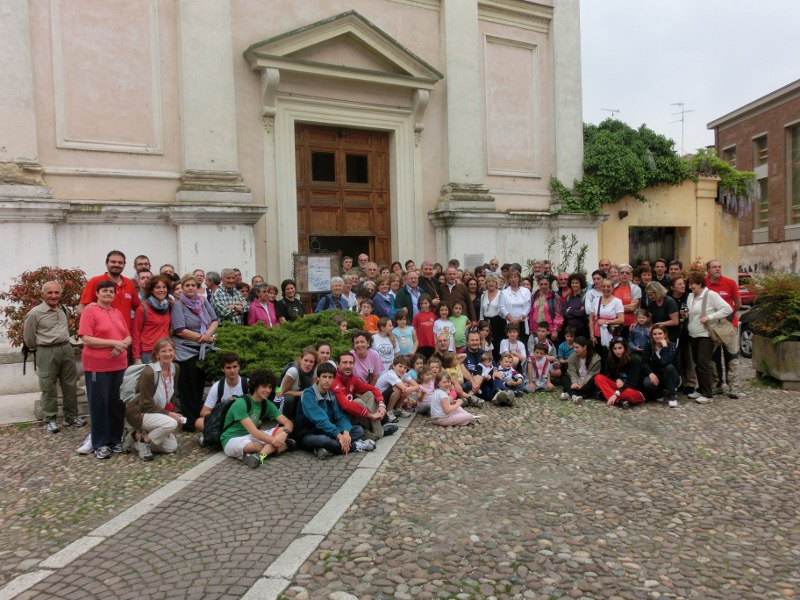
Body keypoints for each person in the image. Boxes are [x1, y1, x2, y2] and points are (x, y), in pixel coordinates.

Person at [78, 280, 131, 459]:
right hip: (97, 366)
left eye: (111, 291)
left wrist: (122, 345)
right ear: (97, 294)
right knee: (100, 405)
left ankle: (115, 440)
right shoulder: (90, 311)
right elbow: (86, 338)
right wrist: (114, 343)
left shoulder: (117, 312)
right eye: (105, 291)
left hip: (119, 365)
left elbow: (128, 337)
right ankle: (100, 443)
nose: (108, 293)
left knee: (117, 404)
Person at [23, 281, 83, 433]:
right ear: (43, 294)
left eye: (57, 292)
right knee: (48, 385)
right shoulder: (34, 313)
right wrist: (39, 349)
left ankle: (71, 416)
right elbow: (29, 337)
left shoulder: (63, 309)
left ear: (60, 294)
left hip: (66, 348)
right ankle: (49, 419)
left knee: (70, 384)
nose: (53, 295)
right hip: (46, 350)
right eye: (49, 292)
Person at [171, 274, 219, 431]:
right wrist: (202, 338)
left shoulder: (202, 301)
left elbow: (214, 320)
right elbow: (179, 330)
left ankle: (198, 417)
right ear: (182, 288)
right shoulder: (179, 305)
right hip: (185, 350)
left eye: (193, 285)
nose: (191, 288)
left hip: (202, 349)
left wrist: (207, 335)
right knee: (188, 387)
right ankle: (189, 421)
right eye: (187, 286)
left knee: (198, 385)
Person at [296, 362, 373, 460]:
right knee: (324, 440)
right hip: (309, 434)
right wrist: (339, 436)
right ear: (318, 378)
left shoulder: (331, 395)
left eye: (330, 377)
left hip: (329, 432)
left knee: (358, 430)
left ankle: (326, 449)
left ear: (333, 379)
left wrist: (345, 432)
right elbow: (320, 420)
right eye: (324, 377)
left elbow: (341, 417)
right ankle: (356, 446)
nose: (327, 380)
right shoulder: (308, 394)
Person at [221, 369, 295, 468]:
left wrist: (284, 433)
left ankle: (259, 456)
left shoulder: (266, 403)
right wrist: (278, 442)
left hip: (252, 436)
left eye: (270, 387)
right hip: (232, 438)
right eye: (264, 386)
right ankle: (282, 446)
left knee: (281, 430)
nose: (268, 390)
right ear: (255, 386)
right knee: (251, 446)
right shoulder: (241, 403)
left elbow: (288, 423)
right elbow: (254, 432)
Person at [125, 338, 182, 461]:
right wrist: (169, 416)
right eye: (163, 351)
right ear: (157, 355)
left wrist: (170, 413)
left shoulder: (175, 368)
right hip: (140, 412)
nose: (168, 354)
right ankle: (144, 441)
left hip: (156, 413)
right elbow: (145, 404)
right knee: (171, 423)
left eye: (170, 350)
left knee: (171, 447)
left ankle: (136, 437)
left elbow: (172, 394)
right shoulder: (150, 372)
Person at [686, 272, 732, 405]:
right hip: (693, 333)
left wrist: (710, 317)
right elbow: (692, 313)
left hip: (706, 334)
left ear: (700, 284)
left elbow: (727, 308)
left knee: (703, 362)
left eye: (693, 286)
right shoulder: (690, 296)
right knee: (697, 361)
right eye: (690, 285)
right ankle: (701, 389)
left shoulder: (711, 295)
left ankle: (707, 393)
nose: (691, 288)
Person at [331, 352, 392, 441]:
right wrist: (371, 415)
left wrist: (381, 405)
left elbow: (373, 389)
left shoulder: (352, 379)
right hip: (341, 418)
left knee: (369, 394)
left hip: (356, 415)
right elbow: (345, 405)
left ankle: (369, 430)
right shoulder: (333, 380)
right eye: (345, 362)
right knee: (357, 402)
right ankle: (378, 430)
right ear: (337, 364)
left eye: (351, 363)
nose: (348, 366)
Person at [705, 259, 741, 398]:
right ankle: (717, 385)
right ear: (708, 270)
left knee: (732, 356)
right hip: (712, 326)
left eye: (719, 266)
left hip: (729, 325)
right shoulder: (705, 284)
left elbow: (738, 304)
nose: (717, 269)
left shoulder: (730, 283)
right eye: (714, 267)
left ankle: (733, 386)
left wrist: (729, 317)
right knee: (714, 357)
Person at [77, 250, 140, 327]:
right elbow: (80, 309)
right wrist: (96, 322)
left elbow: (138, 309)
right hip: (102, 335)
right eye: (113, 262)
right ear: (106, 263)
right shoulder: (95, 281)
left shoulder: (129, 283)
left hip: (125, 334)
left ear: (124, 265)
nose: (116, 265)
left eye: (120, 263)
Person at [196, 352, 248, 432]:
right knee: (199, 422)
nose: (232, 370)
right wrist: (219, 417)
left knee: (258, 422)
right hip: (223, 421)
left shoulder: (247, 384)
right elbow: (204, 412)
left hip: (242, 420)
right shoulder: (217, 386)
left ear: (239, 367)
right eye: (228, 367)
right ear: (222, 369)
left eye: (235, 367)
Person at [131, 275, 173, 365]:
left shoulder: (168, 306)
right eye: (157, 287)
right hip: (148, 351)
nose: (161, 290)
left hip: (165, 351)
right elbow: (136, 333)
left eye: (164, 287)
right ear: (151, 290)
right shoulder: (143, 308)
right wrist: (136, 357)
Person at [595, 337, 644, 409]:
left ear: (625, 348)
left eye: (620, 348)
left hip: (633, 390)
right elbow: (612, 375)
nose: (617, 351)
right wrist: (617, 379)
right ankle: (619, 401)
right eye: (614, 349)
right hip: (619, 388)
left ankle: (611, 396)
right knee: (598, 377)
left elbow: (632, 383)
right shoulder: (613, 359)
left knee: (628, 392)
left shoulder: (634, 360)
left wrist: (617, 393)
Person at [641, 324, 681, 408]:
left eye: (660, 333)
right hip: (657, 375)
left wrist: (665, 347)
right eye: (654, 334)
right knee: (647, 382)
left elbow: (665, 362)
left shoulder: (671, 346)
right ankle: (659, 392)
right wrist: (650, 373)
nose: (657, 336)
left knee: (669, 367)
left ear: (665, 334)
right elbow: (644, 362)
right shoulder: (649, 345)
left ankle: (672, 396)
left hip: (672, 376)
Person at [279, 347, 318, 422]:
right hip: (283, 401)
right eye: (306, 360)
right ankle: (283, 423)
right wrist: (303, 393)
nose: (308, 364)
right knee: (289, 399)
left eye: (311, 362)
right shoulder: (293, 371)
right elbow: (283, 392)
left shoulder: (314, 371)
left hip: (299, 400)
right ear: (300, 360)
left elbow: (313, 390)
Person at [588, 279, 624, 359]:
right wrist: (592, 335)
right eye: (604, 286)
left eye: (608, 286)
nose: (606, 288)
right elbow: (591, 319)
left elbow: (621, 319)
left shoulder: (617, 301)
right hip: (597, 335)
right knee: (598, 357)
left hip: (610, 334)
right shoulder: (596, 301)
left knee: (610, 357)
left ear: (612, 288)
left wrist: (606, 322)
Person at [560, 336, 600, 405]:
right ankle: (574, 396)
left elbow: (591, 375)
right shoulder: (572, 357)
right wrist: (574, 383)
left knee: (595, 377)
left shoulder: (595, 359)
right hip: (576, 381)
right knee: (564, 377)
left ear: (584, 347)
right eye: (574, 347)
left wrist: (580, 384)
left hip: (587, 383)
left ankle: (570, 394)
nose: (575, 350)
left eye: (577, 347)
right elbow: (572, 372)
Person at [499, 270, 532, 347]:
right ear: (508, 279)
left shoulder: (526, 291)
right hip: (510, 322)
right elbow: (502, 307)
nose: (513, 279)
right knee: (511, 343)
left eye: (515, 277)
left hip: (522, 321)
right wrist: (512, 320)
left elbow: (528, 306)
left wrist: (520, 319)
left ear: (518, 279)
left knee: (523, 343)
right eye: (511, 277)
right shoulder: (504, 292)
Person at [529, 276, 563, 343]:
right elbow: (531, 313)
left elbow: (559, 314)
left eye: (545, 284)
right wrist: (531, 328)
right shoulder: (535, 295)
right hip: (536, 330)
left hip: (549, 330)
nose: (543, 286)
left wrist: (555, 329)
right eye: (541, 284)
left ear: (549, 284)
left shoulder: (554, 295)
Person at [480, 274, 504, 361]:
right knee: (487, 343)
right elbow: (481, 311)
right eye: (489, 281)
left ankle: (496, 362)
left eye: (493, 281)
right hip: (486, 321)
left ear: (496, 283)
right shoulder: (483, 295)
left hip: (497, 321)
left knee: (497, 343)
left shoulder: (501, 294)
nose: (491, 283)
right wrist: (481, 321)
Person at [613, 264, 641, 338]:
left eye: (627, 273)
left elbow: (632, 308)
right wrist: (626, 306)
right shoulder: (613, 288)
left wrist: (615, 307)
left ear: (630, 275)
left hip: (631, 324)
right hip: (615, 324)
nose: (624, 275)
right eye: (622, 273)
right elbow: (608, 305)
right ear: (618, 275)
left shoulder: (636, 289)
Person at [562, 273, 588, 340]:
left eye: (576, 283)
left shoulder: (585, 297)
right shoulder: (568, 297)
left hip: (581, 330)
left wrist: (570, 311)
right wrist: (577, 311)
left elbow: (584, 313)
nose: (574, 285)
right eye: (572, 283)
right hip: (569, 330)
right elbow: (564, 313)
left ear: (581, 284)